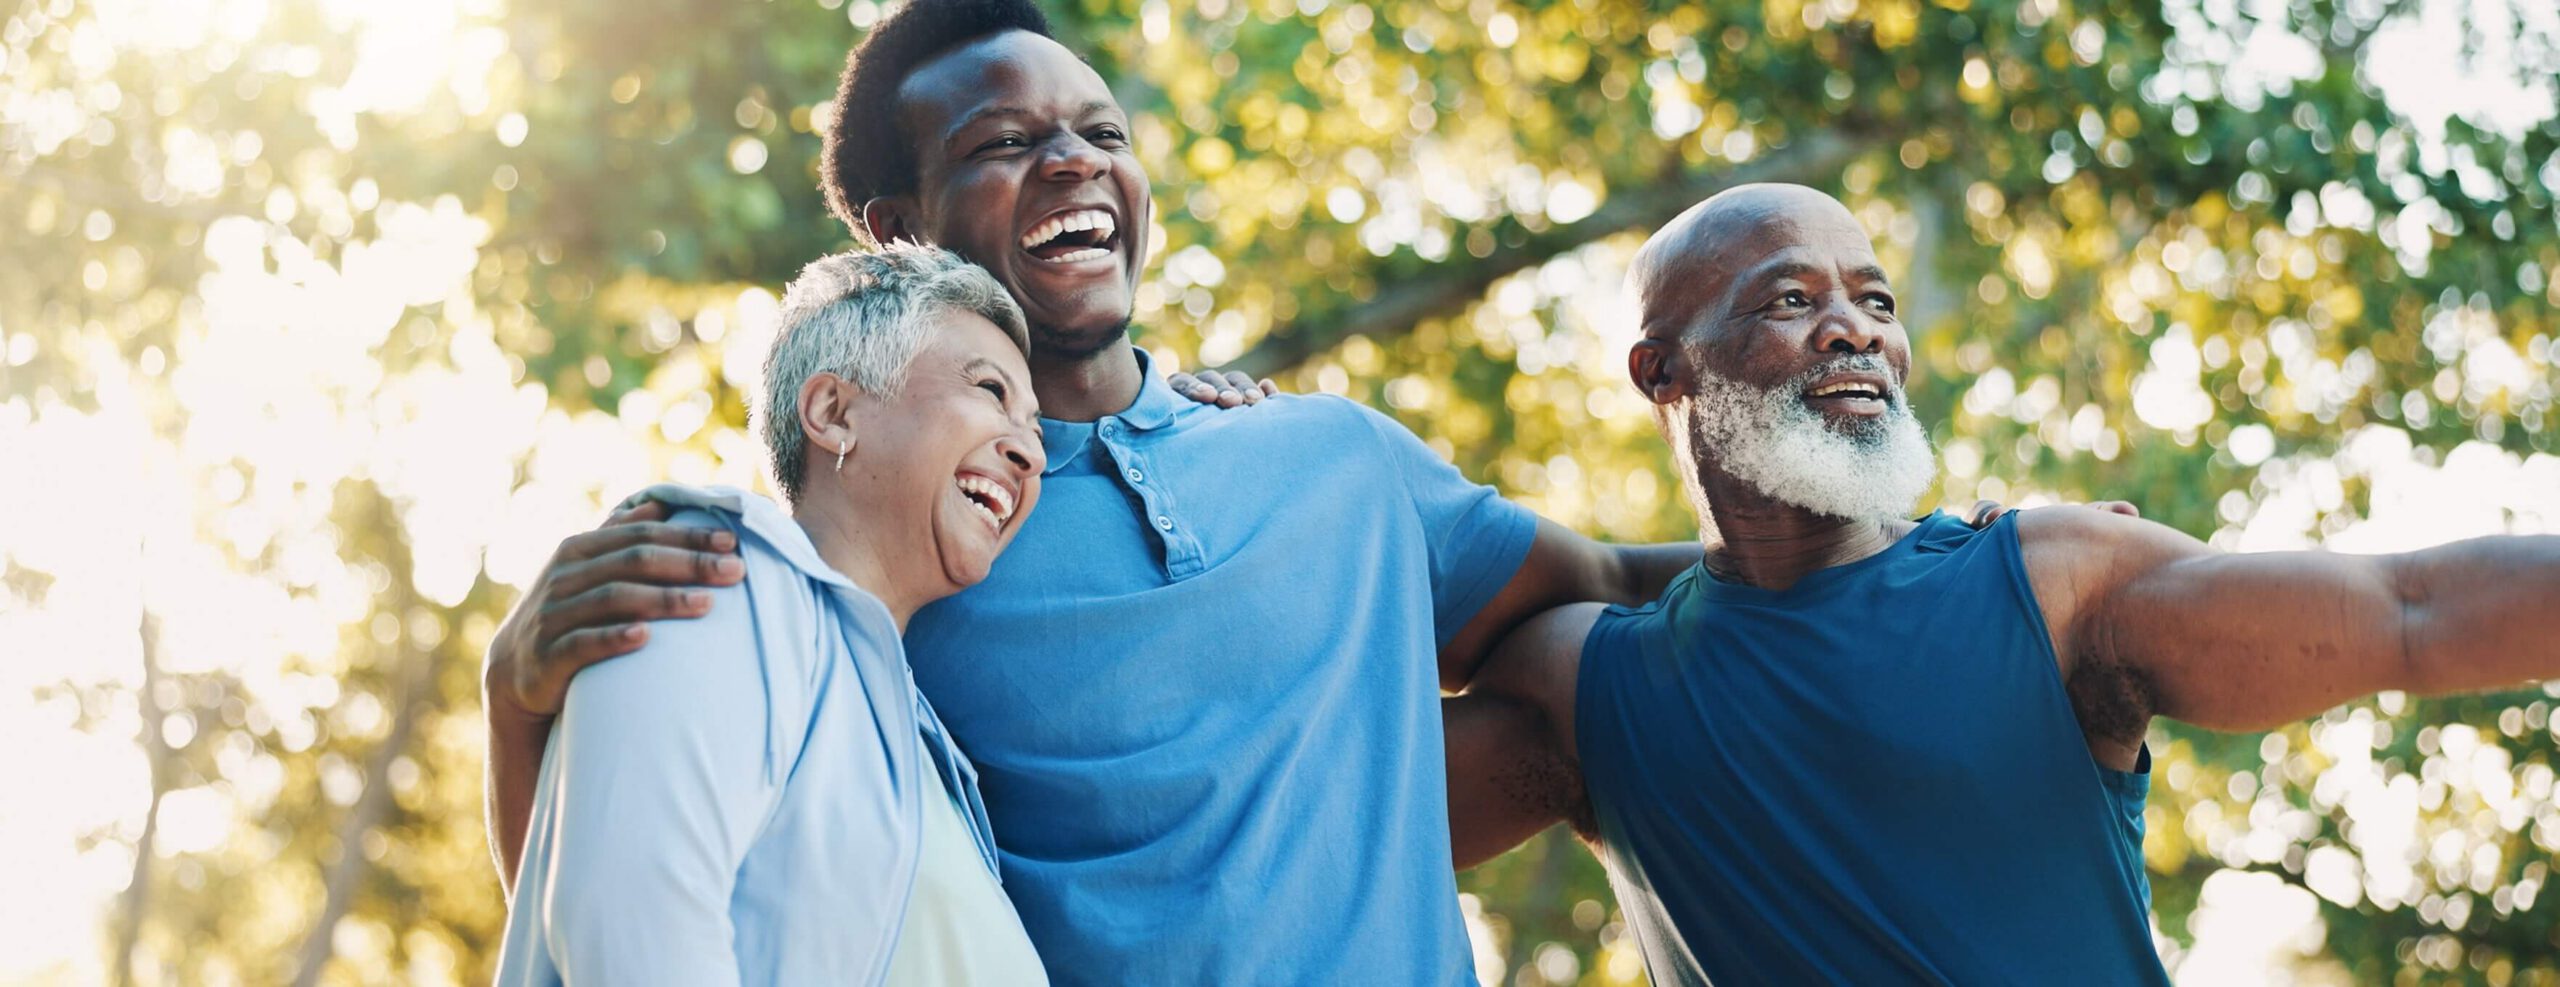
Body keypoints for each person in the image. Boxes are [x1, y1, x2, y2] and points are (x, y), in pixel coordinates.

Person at [481, 1, 1709, 982]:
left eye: (1103, 133)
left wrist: (1886, 557)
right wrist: (515, 701)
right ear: (896, 231)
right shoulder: (883, 570)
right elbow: (630, 897)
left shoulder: (1336, 459)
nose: (1073, 160)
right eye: (1005, 144)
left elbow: (1614, 593)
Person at [1446, 182, 2560, 985]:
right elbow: (1315, 811)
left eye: (1876, 303)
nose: (1855, 330)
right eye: (1789, 300)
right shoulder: (1587, 684)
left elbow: (2411, 613)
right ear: (1663, 369)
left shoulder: (2053, 584)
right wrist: (1263, 446)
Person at [492, 245, 1053, 985]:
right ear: (833, 411)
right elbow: (625, 924)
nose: (1031, 454)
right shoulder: (720, 571)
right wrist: (511, 708)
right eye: (990, 389)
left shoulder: (918, 744)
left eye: (1038, 426)